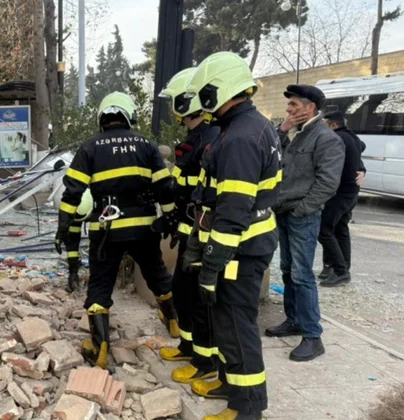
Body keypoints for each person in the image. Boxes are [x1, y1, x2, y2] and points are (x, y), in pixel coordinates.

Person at [182, 51, 281, 420]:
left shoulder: (240, 138)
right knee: (225, 321)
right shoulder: (246, 127)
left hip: (241, 249)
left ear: (218, 90)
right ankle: (230, 383)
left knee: (237, 326)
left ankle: (247, 408)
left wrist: (211, 266)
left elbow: (234, 212)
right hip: (242, 247)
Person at [55, 92, 178, 372]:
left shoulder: (90, 147)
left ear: (102, 118)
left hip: (106, 229)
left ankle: (99, 349)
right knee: (157, 274)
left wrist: (63, 226)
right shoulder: (145, 145)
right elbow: (164, 186)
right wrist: (170, 218)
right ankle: (172, 321)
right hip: (143, 226)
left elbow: (72, 191)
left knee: (100, 285)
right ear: (128, 116)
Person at [265, 85, 345, 363]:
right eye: (289, 106)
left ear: (310, 107)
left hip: (301, 215)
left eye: (294, 106)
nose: (289, 109)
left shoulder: (325, 138)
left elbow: (328, 183)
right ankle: (294, 320)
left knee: (302, 275)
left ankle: (313, 336)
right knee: (288, 270)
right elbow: (271, 153)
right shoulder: (296, 134)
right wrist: (282, 128)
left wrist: (301, 210)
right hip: (284, 211)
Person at [155, 67, 222, 387]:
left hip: (203, 234)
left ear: (187, 102)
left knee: (196, 298)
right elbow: (182, 188)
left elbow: (198, 193)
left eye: (174, 102)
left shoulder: (208, 140)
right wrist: (171, 219)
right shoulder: (196, 138)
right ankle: (187, 346)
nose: (171, 109)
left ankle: (204, 361)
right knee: (182, 292)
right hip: (190, 229)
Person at [317, 111, 364, 287]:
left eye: (324, 124)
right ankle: (343, 267)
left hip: (340, 192)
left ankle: (339, 271)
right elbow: (362, 146)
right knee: (340, 228)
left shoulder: (337, 138)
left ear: (333, 125)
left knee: (324, 230)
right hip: (351, 191)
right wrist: (360, 167)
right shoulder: (350, 136)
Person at [56, 189, 93, 293]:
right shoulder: (72, 207)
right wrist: (73, 271)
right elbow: (72, 243)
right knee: (71, 239)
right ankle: (74, 276)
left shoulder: (100, 207)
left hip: (99, 218)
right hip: (76, 214)